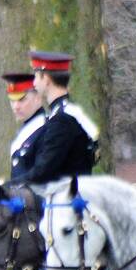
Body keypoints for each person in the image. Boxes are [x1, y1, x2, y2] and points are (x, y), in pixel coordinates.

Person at [22, 51, 98, 182]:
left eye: (36, 77)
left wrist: (10, 185)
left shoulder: (61, 119)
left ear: (46, 79)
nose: (33, 83)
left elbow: (44, 169)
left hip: (67, 197)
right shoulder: (69, 110)